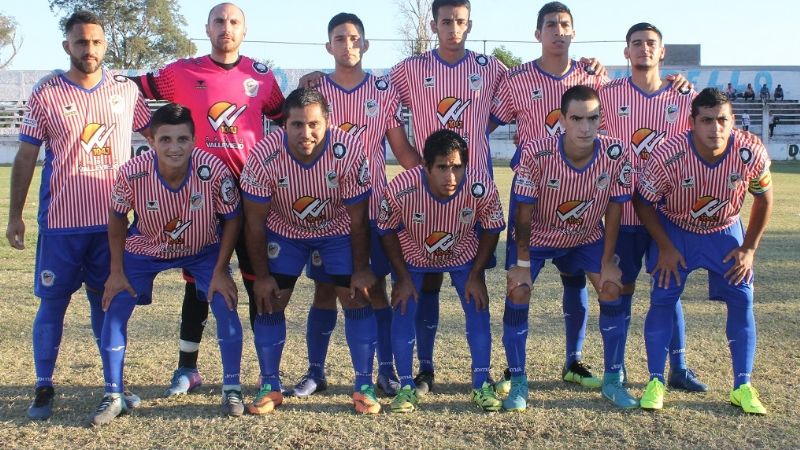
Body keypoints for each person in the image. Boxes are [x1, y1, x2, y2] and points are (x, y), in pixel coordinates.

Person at [132, 2, 285, 396]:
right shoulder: (180, 73)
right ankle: (188, 369)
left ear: (244, 31)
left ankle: (267, 371)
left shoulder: (261, 76)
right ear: (207, 28)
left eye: (234, 22)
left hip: (250, 194)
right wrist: (147, 130)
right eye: (219, 21)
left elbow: (286, 118)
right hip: (198, 195)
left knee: (256, 281)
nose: (226, 27)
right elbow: (130, 88)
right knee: (198, 282)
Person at [5, 10, 151, 420]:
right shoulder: (46, 92)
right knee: (52, 305)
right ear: (67, 45)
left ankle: (114, 385)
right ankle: (43, 386)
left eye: (96, 42)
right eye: (82, 42)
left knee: (107, 305)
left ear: (105, 45)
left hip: (112, 224)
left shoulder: (125, 90)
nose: (90, 49)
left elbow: (158, 138)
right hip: (62, 225)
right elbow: (27, 155)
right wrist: (15, 215)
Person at [288, 12, 421, 399]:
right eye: (339, 39)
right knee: (325, 291)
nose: (347, 45)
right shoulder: (315, 91)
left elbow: (402, 151)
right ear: (328, 46)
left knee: (374, 290)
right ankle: (316, 372)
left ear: (365, 44)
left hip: (374, 209)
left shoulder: (383, 90)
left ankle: (385, 370)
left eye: (353, 38)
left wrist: (432, 178)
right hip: (327, 214)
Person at [90, 103, 244, 425]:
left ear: (194, 140)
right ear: (151, 140)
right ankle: (113, 394)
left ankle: (232, 387)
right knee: (116, 306)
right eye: (165, 139)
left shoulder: (212, 169)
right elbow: (117, 219)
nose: (175, 147)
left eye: (182, 139)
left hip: (202, 248)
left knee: (225, 301)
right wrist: (116, 271)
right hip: (146, 247)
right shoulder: (133, 172)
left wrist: (220, 269)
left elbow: (233, 218)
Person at [492, 1, 610, 391]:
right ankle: (513, 369)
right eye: (551, 25)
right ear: (537, 33)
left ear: (574, 31)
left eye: (565, 24)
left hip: (580, 192)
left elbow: (621, 116)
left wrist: (676, 85)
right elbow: (482, 122)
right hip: (533, 194)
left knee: (576, 280)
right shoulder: (517, 79)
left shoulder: (592, 77)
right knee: (519, 281)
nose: (558, 31)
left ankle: (574, 361)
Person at [241, 88, 379, 415]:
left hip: (337, 230)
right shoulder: (264, 155)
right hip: (285, 231)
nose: (306, 133)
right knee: (270, 299)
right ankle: (270, 386)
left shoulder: (348, 149)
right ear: (283, 125)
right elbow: (254, 223)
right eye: (297, 125)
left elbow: (358, 218)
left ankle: (364, 386)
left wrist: (361, 269)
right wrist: (262, 276)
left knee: (355, 297)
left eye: (314, 124)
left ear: (327, 122)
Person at [635, 88, 773, 414]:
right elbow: (643, 201)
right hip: (676, 227)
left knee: (742, 298)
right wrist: (665, 246)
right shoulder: (668, 153)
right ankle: (655, 381)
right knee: (663, 295)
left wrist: (749, 248)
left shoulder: (750, 151)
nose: (715, 128)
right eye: (707, 120)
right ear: (692, 122)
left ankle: (742, 385)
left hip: (724, 229)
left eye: (722, 120)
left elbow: (764, 199)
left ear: (733, 121)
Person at [503, 85, 635, 411]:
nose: (585, 127)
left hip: (586, 235)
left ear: (601, 119)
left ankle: (613, 380)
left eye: (592, 118)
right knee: (518, 290)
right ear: (562, 120)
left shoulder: (616, 153)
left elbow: (615, 208)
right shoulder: (537, 152)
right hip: (538, 235)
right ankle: (518, 381)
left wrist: (608, 260)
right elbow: (523, 212)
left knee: (612, 287)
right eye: (576, 118)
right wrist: (522, 263)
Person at [598, 22, 706, 392]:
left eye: (650, 43)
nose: (644, 48)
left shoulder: (684, 97)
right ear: (626, 52)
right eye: (636, 43)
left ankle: (678, 367)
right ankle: (616, 368)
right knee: (621, 288)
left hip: (667, 214)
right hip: (624, 212)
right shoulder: (608, 94)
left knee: (668, 288)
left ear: (662, 52)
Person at [378, 129, 505, 413]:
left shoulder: (480, 187)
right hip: (414, 255)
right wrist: (402, 277)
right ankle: (407, 386)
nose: (451, 176)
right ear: (426, 166)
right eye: (442, 167)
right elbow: (386, 230)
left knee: (478, 306)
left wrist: (477, 275)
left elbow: (492, 227)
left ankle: (481, 383)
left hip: (462, 254)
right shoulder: (402, 188)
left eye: (457, 167)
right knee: (403, 307)